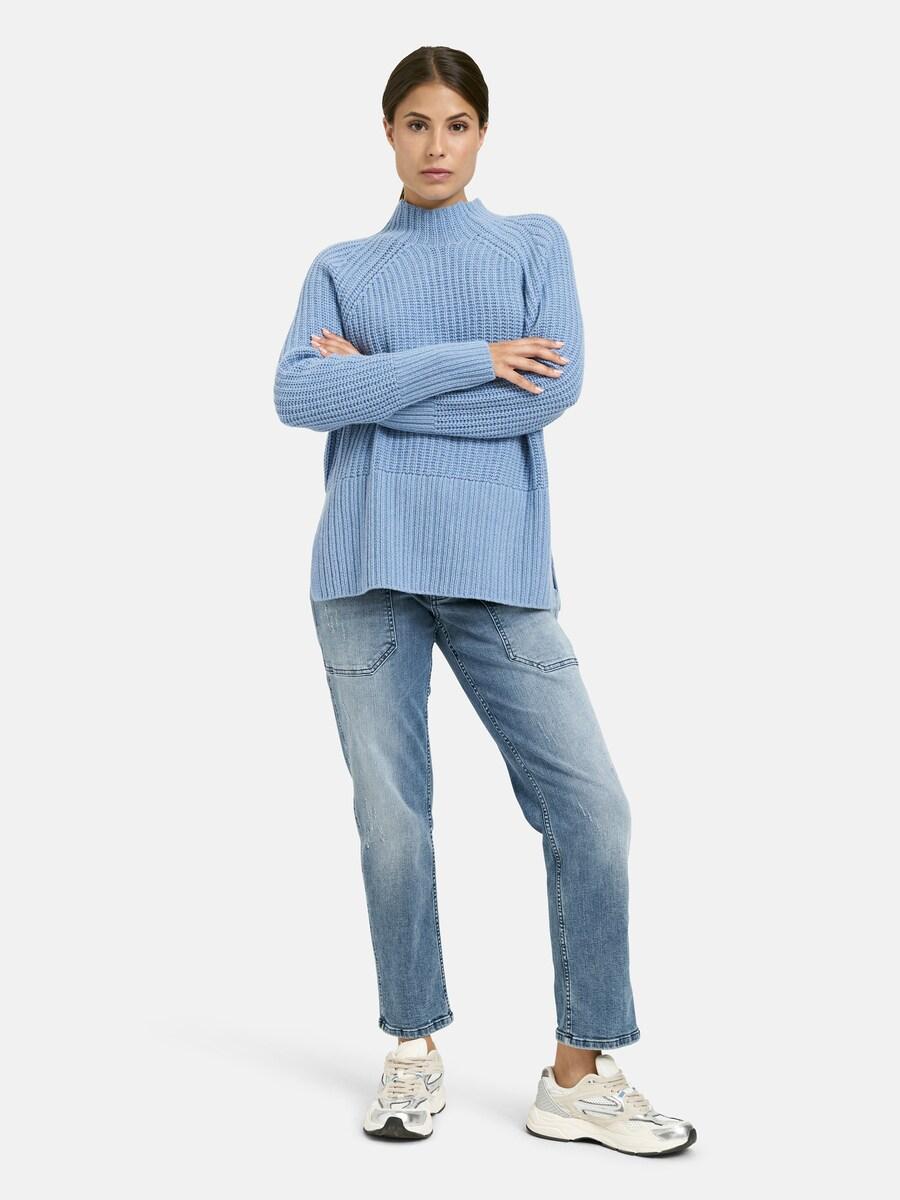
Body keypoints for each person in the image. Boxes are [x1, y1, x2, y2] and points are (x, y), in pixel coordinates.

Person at [273, 45, 696, 1156]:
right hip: (363, 571)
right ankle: (411, 1046)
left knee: (592, 807)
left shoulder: (532, 244)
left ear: (482, 134)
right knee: (392, 821)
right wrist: (473, 357)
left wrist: (372, 382)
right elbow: (297, 393)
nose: (436, 146)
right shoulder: (342, 265)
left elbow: (541, 396)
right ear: (388, 132)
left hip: (498, 575)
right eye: (416, 123)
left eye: (456, 124)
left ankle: (578, 1072)